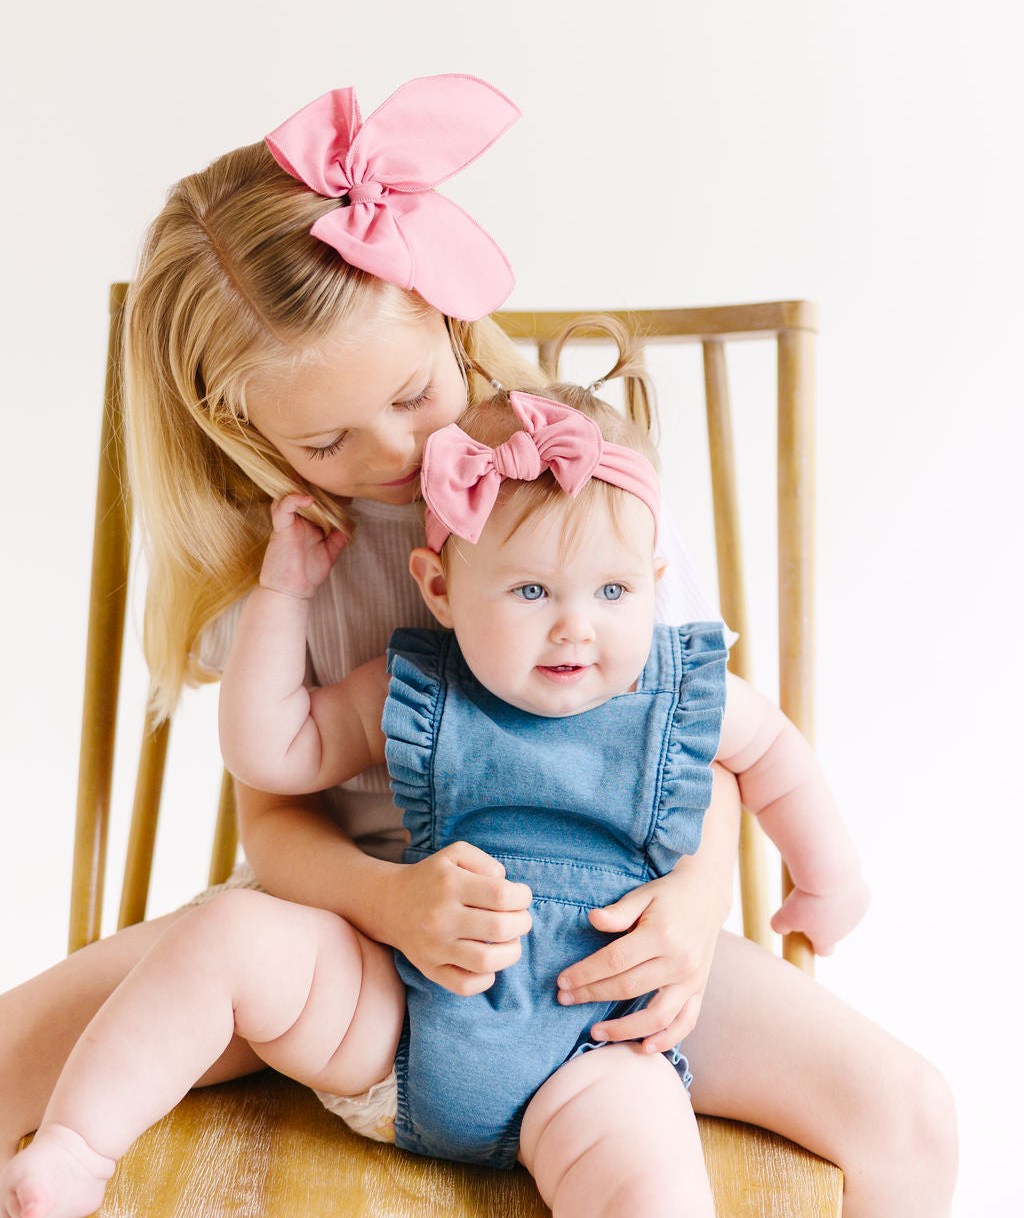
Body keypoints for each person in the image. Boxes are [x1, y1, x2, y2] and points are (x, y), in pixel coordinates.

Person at [0, 76, 956, 1215]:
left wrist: (696, 904)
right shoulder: (286, 558)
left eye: (411, 393)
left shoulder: (586, 489)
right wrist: (390, 903)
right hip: (346, 933)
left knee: (912, 1115)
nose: (393, 450)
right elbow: (274, 812)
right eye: (325, 436)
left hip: (604, 944)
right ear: (243, 430)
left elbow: (684, 741)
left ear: (448, 318)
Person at [2, 375, 875, 1217]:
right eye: (531, 590)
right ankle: (78, 1149)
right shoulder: (421, 689)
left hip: (593, 1050)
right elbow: (273, 748)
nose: (577, 624)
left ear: (652, 579)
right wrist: (284, 592)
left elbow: (777, 760)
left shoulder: (681, 693)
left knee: (650, 1173)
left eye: (613, 591)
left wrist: (827, 879)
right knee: (226, 937)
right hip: (398, 1018)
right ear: (441, 590)